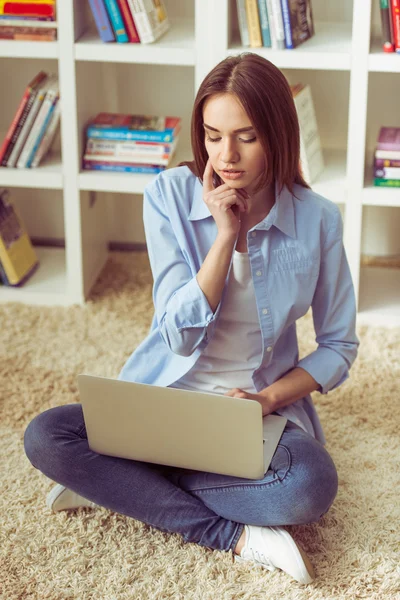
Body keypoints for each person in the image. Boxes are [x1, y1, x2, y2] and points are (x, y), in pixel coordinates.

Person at [24, 53, 359, 585]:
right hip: (166, 398)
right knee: (45, 436)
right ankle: (233, 536)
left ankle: (124, 483)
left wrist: (266, 401)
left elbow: (338, 346)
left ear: (277, 133)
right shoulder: (168, 196)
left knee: (309, 485)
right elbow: (177, 336)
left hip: (254, 416)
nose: (226, 156)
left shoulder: (317, 219)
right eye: (212, 134)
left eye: (246, 137)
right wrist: (224, 237)